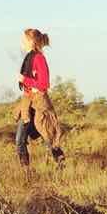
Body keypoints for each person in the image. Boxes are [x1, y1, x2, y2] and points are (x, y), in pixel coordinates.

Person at [14, 28, 65, 169]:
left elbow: (44, 84)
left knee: (48, 137)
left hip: (39, 102)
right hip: (27, 102)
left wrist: (25, 80)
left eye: (24, 39)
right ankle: (26, 173)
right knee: (19, 140)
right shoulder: (29, 57)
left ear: (31, 41)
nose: (22, 42)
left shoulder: (39, 58)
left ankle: (61, 166)